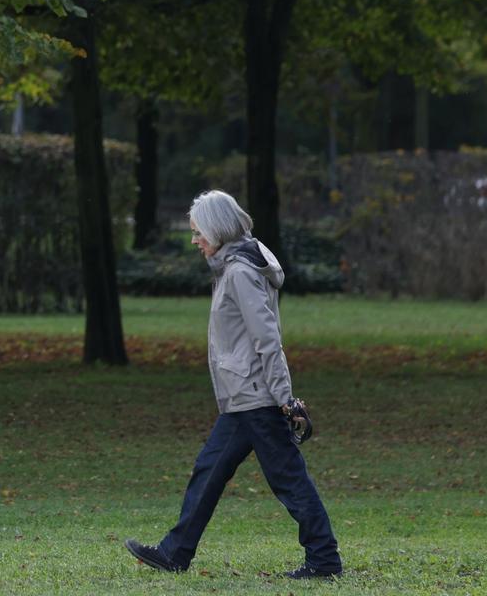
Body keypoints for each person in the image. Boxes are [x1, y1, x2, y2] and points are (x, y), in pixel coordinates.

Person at [124, 190, 343, 580]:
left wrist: (285, 398)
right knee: (208, 471)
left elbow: (267, 339)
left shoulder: (241, 272)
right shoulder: (235, 265)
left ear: (217, 229)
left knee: (288, 480)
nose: (195, 241)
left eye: (198, 233)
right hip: (243, 398)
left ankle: (324, 559)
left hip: (257, 398)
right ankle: (175, 553)